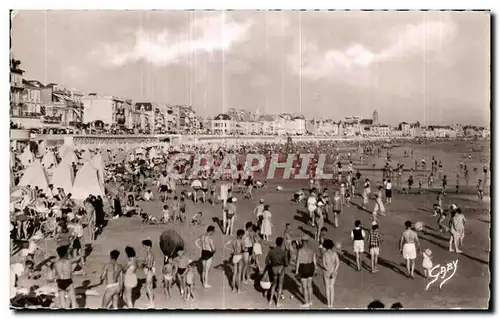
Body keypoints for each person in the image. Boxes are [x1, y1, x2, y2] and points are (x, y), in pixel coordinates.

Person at [265, 237, 288, 307]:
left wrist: (272, 264)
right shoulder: (283, 252)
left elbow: (266, 261)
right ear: (281, 243)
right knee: (280, 285)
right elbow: (286, 263)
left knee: (274, 285)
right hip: (281, 268)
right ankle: (277, 302)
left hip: (274, 268)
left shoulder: (271, 251)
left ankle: (270, 301)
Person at [296, 235, 316, 308]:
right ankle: (310, 301)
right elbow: (314, 260)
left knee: (304, 287)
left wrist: (296, 271)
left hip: (303, 267)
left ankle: (306, 302)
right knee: (310, 286)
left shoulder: (300, 250)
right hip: (310, 266)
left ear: (302, 241)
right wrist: (315, 268)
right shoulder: (311, 250)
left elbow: (298, 261)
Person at [322, 239, 339, 308]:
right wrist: (334, 271)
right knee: (332, 287)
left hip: (326, 272)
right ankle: (331, 304)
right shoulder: (335, 254)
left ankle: (328, 303)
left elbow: (323, 264)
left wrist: (327, 270)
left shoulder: (324, 254)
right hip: (333, 271)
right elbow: (337, 264)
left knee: (327, 287)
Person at [141, 240, 156, 307]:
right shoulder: (149, 253)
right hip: (150, 271)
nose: (143, 247)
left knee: (147, 287)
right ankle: (151, 302)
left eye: (144, 245)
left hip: (149, 271)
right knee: (150, 286)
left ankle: (152, 303)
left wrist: (143, 264)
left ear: (148, 246)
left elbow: (149, 264)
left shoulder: (149, 254)